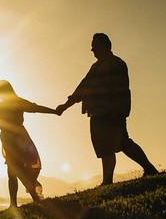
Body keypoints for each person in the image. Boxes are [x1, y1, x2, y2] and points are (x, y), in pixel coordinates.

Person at [56, 33, 158, 185]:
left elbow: (118, 89)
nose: (92, 50)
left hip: (110, 111)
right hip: (99, 111)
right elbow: (83, 87)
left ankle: (148, 169)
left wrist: (118, 111)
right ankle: (108, 180)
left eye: (94, 46)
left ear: (104, 46)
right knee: (105, 147)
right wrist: (66, 105)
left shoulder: (115, 64)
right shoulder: (97, 66)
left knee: (122, 142)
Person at [0, 80, 60, 207]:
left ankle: (28, 199)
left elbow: (35, 108)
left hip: (19, 140)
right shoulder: (2, 106)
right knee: (12, 171)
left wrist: (54, 111)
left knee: (19, 169)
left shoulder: (15, 103)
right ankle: (18, 202)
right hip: (11, 140)